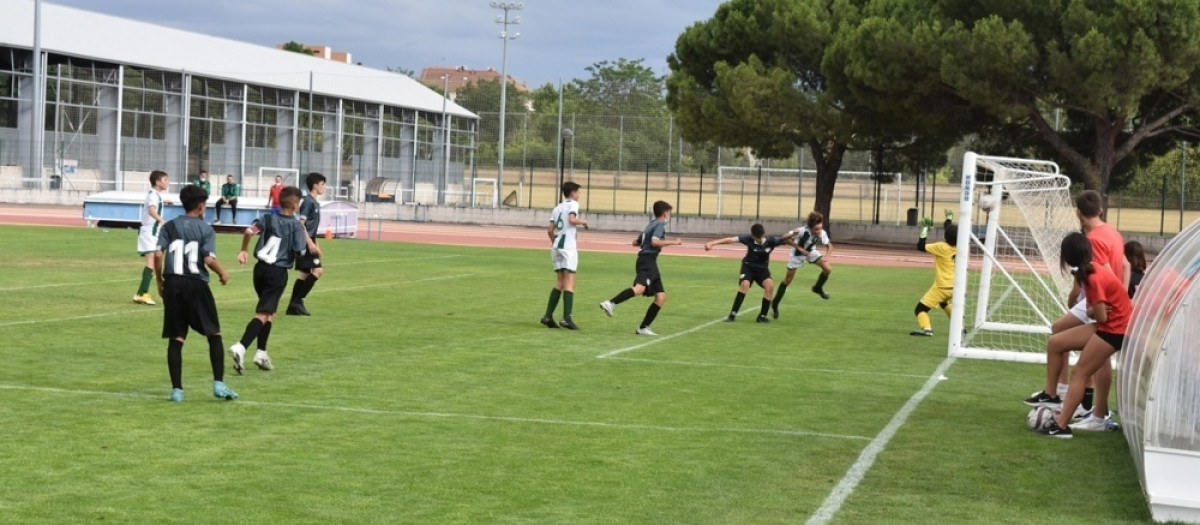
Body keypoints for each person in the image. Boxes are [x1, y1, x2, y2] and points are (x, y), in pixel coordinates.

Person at [1026, 190, 1126, 415]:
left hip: (1102, 300)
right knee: (1093, 355)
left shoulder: (1092, 241)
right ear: (1101, 209)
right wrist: (1122, 294)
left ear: (1078, 212)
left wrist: (1082, 303)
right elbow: (1125, 265)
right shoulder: (1113, 232)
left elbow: (1090, 278)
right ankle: (1089, 406)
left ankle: (1063, 395)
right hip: (1112, 300)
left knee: (1063, 337)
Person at [1036, 232, 1131, 438]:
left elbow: (1102, 317)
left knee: (1079, 373)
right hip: (1107, 325)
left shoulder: (1093, 277)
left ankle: (1061, 426)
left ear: (1066, 258)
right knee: (1055, 343)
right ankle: (1051, 395)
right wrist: (1093, 311)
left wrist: (1093, 311)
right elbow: (1096, 311)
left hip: (1115, 330)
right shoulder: (1088, 272)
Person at [153, 184, 238, 402]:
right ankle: (219, 384)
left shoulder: (170, 226)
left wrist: (160, 280)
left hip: (173, 284)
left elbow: (157, 254)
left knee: (177, 337)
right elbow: (208, 259)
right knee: (214, 333)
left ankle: (177, 391)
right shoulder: (206, 229)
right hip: (196, 283)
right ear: (201, 207)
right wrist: (223, 273)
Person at [228, 186, 307, 373]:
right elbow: (299, 251)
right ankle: (241, 347)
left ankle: (261, 353)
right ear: (295, 205)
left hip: (260, 270)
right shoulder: (295, 225)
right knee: (263, 313)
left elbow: (249, 231)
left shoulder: (268, 218)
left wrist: (244, 250)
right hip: (277, 272)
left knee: (269, 312)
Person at [599, 200, 683, 335]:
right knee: (639, 288)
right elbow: (654, 242)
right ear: (665, 213)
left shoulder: (650, 225)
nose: (670, 215)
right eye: (669, 212)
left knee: (661, 296)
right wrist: (674, 242)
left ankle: (643, 327)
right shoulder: (660, 224)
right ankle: (611, 303)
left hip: (648, 262)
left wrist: (645, 244)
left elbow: (635, 242)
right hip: (647, 261)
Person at [705, 224, 796, 323]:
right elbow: (730, 239)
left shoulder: (771, 241)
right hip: (748, 267)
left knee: (769, 285)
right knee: (745, 285)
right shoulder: (747, 239)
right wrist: (712, 243)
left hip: (762, 269)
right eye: (756, 237)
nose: (758, 239)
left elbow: (784, 239)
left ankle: (762, 316)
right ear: (752, 236)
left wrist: (795, 238)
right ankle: (732, 315)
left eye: (760, 237)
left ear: (763, 234)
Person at [540, 182, 590, 330]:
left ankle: (548, 316)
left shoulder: (557, 208)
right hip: (568, 247)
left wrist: (553, 241)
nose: (579, 195)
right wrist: (584, 222)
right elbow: (572, 220)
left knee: (560, 282)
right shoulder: (573, 204)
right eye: (578, 193)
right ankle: (567, 318)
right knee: (570, 282)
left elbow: (550, 230)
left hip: (556, 247)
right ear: (573, 193)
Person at [771, 210, 833, 318]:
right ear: (810, 227)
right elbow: (784, 238)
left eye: (820, 228)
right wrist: (798, 247)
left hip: (810, 252)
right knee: (787, 281)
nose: (819, 231)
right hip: (797, 255)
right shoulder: (800, 231)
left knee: (828, 269)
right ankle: (775, 304)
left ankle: (817, 288)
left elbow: (830, 246)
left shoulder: (822, 233)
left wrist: (827, 258)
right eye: (816, 229)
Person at [911, 214, 957, 336]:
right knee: (944, 303)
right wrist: (948, 219)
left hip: (942, 286)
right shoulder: (960, 247)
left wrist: (925, 228)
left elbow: (920, 246)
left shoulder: (942, 247)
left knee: (920, 309)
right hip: (955, 286)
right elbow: (951, 230)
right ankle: (960, 327)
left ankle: (927, 329)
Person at [287, 172, 326, 316]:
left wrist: (317, 244)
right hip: (304, 241)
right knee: (318, 271)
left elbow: (312, 228)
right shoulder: (308, 202)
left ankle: (292, 306)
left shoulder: (315, 202)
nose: (324, 187)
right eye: (322, 184)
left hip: (309, 241)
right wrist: (310, 243)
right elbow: (301, 224)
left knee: (304, 274)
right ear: (315, 185)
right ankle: (298, 301)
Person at [134, 170, 170, 306]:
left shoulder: (155, 195)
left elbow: (154, 207)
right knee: (151, 262)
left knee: (154, 263)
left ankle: (140, 293)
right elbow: (151, 210)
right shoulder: (153, 195)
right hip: (149, 232)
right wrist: (161, 220)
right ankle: (142, 294)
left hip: (151, 232)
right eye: (165, 179)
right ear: (157, 182)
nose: (167, 182)